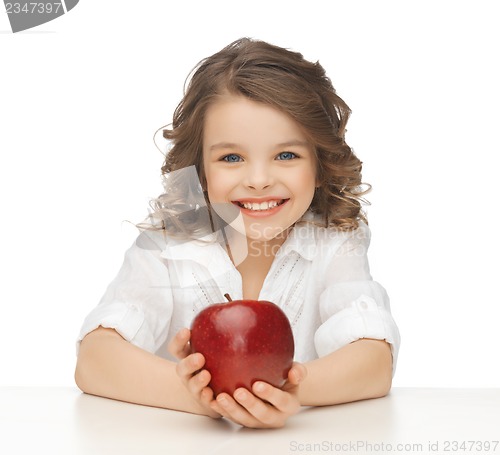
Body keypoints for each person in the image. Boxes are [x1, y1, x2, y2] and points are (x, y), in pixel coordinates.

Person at [75, 37, 401, 429]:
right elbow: (94, 360)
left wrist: (287, 390)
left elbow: (374, 360)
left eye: (286, 155)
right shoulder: (166, 246)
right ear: (200, 170)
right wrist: (199, 394)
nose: (259, 180)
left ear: (320, 166)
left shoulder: (334, 242)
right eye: (232, 157)